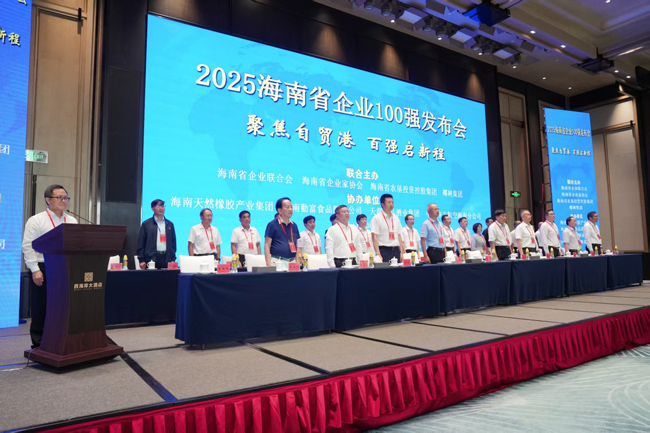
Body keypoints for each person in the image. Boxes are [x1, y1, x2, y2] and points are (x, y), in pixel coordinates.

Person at [22, 184, 78, 348]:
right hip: (43, 267)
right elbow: (28, 247)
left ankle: (61, 339)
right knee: (41, 305)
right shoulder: (36, 220)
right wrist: (35, 270)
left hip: (65, 267)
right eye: (60, 197)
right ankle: (39, 342)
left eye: (66, 198)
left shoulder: (71, 220)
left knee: (63, 305)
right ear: (48, 200)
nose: (64, 200)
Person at [137, 199, 177, 269]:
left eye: (162, 206)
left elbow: (173, 243)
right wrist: (141, 260)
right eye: (158, 206)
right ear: (152, 208)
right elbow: (141, 242)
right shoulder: (146, 224)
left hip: (166, 259)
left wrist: (172, 258)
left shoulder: (169, 224)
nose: (161, 208)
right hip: (151, 258)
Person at [264, 197, 301, 266]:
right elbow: (267, 245)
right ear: (279, 210)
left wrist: (297, 262)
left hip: (292, 262)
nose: (290, 209)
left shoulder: (294, 225)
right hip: (278, 261)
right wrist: (268, 264)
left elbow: (297, 245)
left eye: (291, 207)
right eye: (287, 207)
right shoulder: (272, 224)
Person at [370, 194, 405, 262]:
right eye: (389, 202)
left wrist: (401, 252)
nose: (391, 204)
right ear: (382, 204)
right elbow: (374, 237)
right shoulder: (377, 218)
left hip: (396, 250)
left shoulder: (396, 218)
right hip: (384, 251)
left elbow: (399, 236)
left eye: (392, 202)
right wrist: (378, 254)